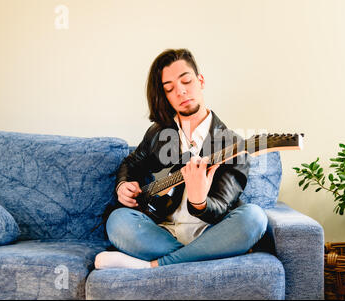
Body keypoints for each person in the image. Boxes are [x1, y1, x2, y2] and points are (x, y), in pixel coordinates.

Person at [94, 48, 267, 269]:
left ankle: (152, 267)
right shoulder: (158, 133)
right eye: (170, 89)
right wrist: (123, 185)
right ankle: (200, 258)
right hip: (161, 232)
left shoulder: (232, 144)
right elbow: (131, 163)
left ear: (200, 81)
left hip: (212, 232)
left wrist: (199, 202)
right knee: (118, 221)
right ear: (165, 96)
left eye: (187, 81)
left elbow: (222, 207)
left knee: (254, 218)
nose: (181, 92)